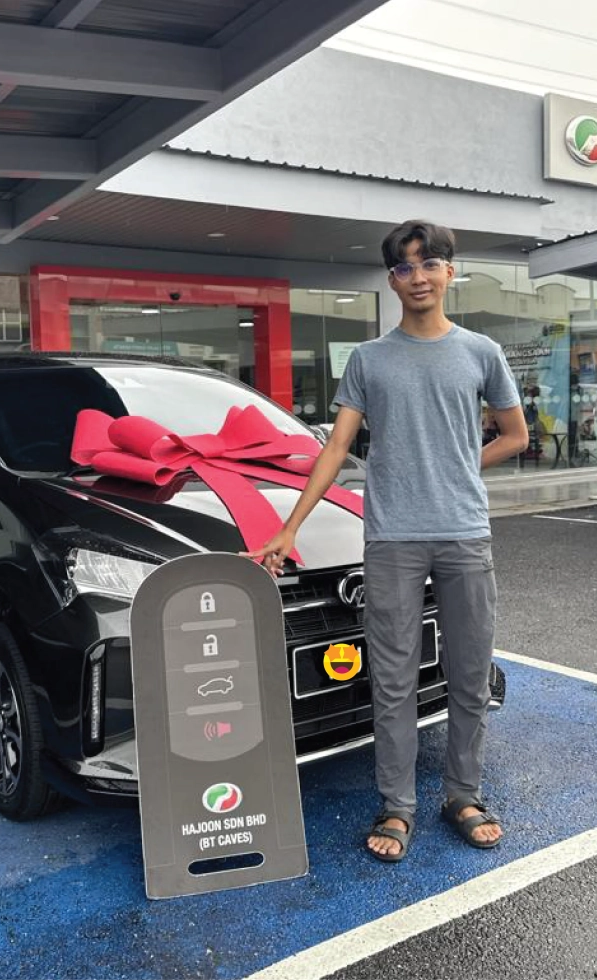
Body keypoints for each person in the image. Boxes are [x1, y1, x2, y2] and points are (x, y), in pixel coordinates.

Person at [244, 220, 528, 862]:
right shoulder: (369, 359)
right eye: (404, 268)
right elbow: (337, 447)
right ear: (391, 279)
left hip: (463, 535)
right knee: (394, 679)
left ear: (451, 271)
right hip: (392, 539)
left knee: (468, 672)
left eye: (429, 264)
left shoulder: (481, 352)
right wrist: (288, 526)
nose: (418, 277)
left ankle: (463, 794)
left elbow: (515, 435)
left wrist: (459, 464)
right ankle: (396, 806)